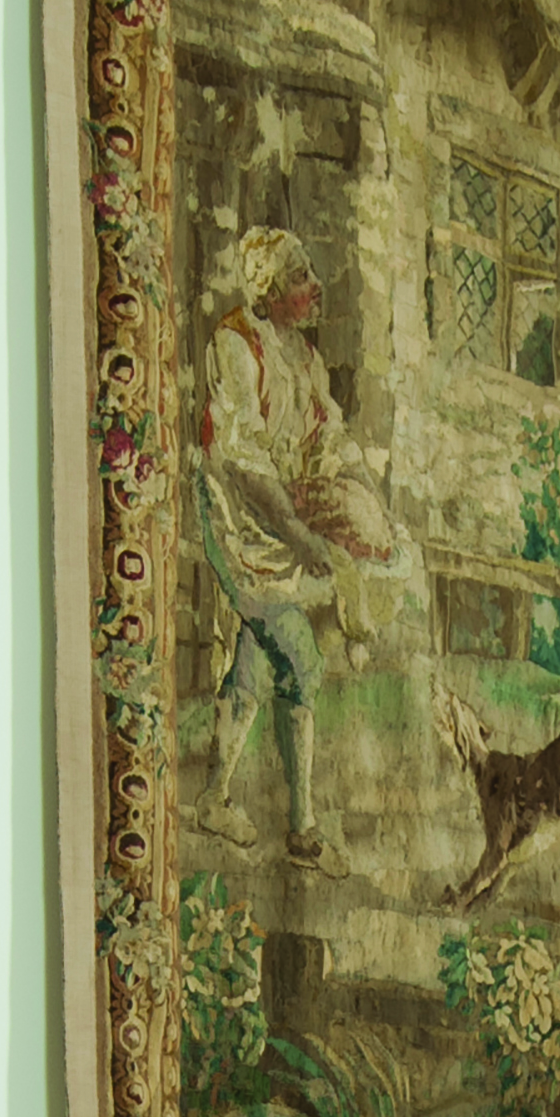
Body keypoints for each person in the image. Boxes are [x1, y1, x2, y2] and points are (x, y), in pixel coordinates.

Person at [194, 227, 389, 858]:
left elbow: (327, 438)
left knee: (257, 654)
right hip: (236, 515)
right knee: (301, 659)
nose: (315, 286)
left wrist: (366, 502)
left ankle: (214, 800)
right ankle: (301, 828)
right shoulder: (235, 346)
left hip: (277, 528)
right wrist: (300, 532)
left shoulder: (304, 361)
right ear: (270, 291)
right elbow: (245, 462)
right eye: (301, 276)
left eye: (311, 274)